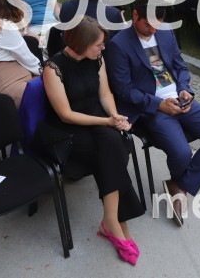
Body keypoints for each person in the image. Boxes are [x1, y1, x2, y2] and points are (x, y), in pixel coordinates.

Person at [106, 0, 200, 225]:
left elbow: (180, 66)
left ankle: (179, 185)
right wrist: (159, 104)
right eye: (148, 25)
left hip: (180, 98)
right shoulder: (118, 45)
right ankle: (179, 186)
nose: (153, 30)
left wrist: (185, 88)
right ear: (135, 15)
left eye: (157, 25)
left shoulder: (164, 31)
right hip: (152, 108)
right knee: (182, 152)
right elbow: (124, 90)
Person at [43, 17, 143, 264]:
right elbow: (65, 114)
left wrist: (114, 115)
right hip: (67, 130)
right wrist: (107, 123)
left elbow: (105, 93)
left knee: (113, 143)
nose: (103, 48)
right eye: (98, 44)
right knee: (112, 146)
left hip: (96, 121)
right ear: (81, 43)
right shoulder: (53, 68)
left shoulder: (96, 59)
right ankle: (116, 222)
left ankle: (112, 221)